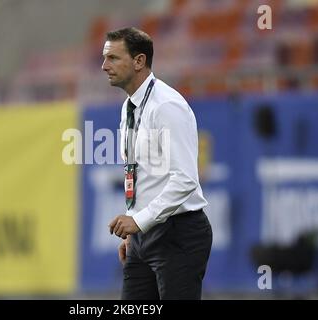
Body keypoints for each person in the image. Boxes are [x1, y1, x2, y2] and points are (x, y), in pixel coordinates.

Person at [102, 27, 213, 300]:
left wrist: (138, 221)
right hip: (144, 235)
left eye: (113, 58)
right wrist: (134, 232)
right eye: (105, 58)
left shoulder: (166, 106)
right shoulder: (129, 106)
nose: (104, 66)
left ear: (139, 61)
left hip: (178, 234)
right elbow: (140, 173)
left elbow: (186, 180)